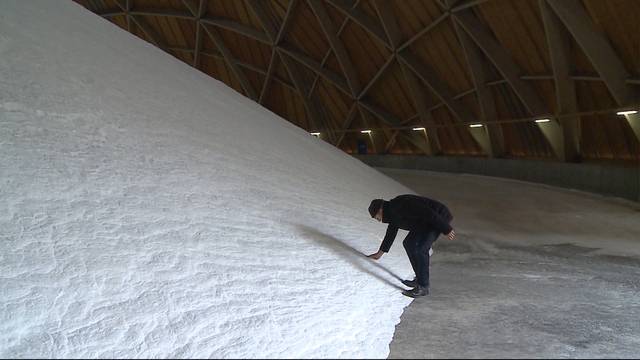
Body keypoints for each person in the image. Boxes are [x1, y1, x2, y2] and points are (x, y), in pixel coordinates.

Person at [367, 195, 455, 298]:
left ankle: (423, 286)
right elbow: (390, 234)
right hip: (423, 223)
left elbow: (428, 212)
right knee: (409, 243)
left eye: (377, 217)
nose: (378, 220)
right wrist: (379, 254)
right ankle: (419, 278)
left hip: (438, 217)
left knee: (421, 248)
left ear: (380, 210)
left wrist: (446, 228)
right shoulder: (392, 213)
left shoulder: (401, 205)